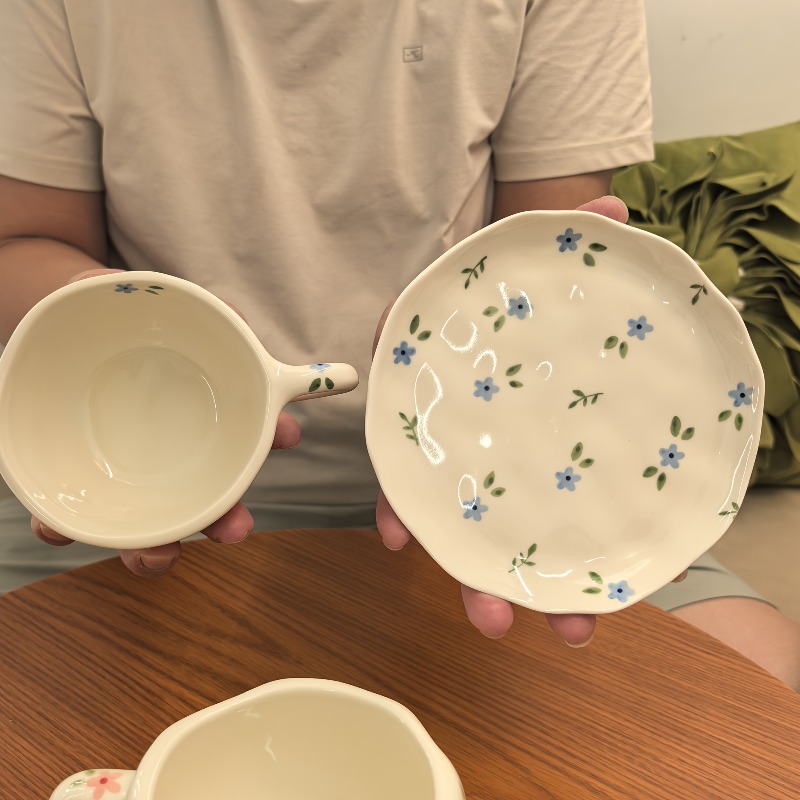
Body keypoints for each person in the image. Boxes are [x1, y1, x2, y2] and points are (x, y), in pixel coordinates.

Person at [0, 0, 798, 689]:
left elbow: (558, 264)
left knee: (760, 687)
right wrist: (106, 388)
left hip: (458, 478)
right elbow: (27, 242)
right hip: (161, 467)